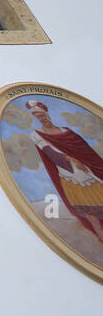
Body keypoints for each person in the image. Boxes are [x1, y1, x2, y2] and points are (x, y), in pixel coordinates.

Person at [26, 101, 103, 246]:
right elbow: (50, 152)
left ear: (47, 114)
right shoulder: (36, 134)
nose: (42, 119)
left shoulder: (66, 130)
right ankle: (100, 234)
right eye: (39, 117)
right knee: (87, 207)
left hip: (89, 171)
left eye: (43, 115)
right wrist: (70, 160)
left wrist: (89, 164)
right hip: (70, 174)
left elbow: (85, 150)